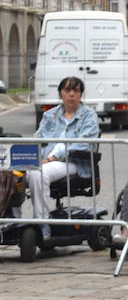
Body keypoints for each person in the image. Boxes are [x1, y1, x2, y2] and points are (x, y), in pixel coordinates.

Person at [32, 76, 102, 230]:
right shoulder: (49, 115)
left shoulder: (89, 116)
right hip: (45, 161)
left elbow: (83, 143)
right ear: (60, 94)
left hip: (73, 162)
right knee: (11, 174)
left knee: (38, 173)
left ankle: (42, 225)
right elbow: (37, 140)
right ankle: (11, 221)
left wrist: (53, 158)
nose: (71, 94)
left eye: (75, 90)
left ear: (80, 94)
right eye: (67, 90)